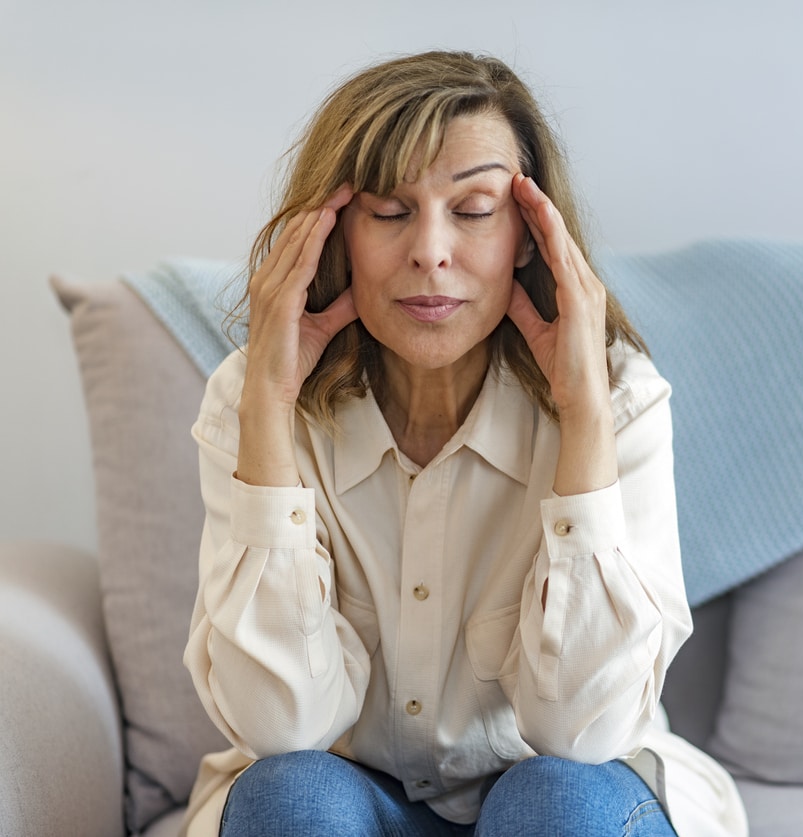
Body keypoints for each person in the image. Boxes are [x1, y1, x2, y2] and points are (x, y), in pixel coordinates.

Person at [181, 51, 747, 837]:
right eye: (388, 211)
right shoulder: (253, 402)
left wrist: (582, 417)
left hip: (560, 800)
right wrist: (269, 406)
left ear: (526, 234)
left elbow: (586, 731)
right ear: (335, 232)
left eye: (474, 209)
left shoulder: (619, 400)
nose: (431, 252)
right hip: (355, 801)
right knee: (293, 795)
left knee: (554, 799)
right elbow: (279, 725)